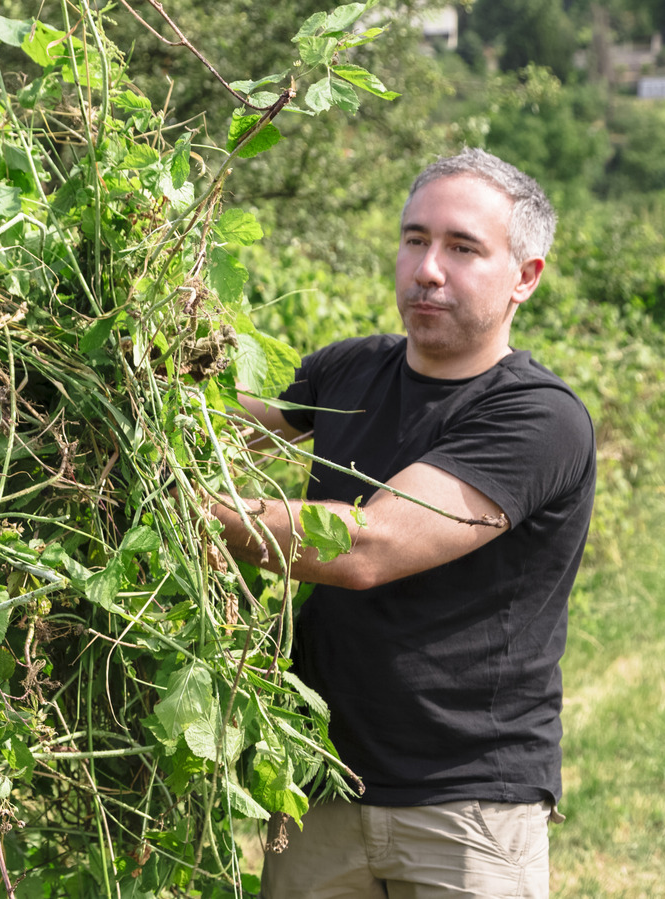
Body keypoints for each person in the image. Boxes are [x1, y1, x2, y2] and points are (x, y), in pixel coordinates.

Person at [209, 148, 596, 898]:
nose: (427, 268)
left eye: (462, 248)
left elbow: (369, 544)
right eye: (415, 239)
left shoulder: (540, 417)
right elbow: (213, 429)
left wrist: (194, 513)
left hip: (467, 798)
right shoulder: (347, 370)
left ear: (525, 276)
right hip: (320, 780)